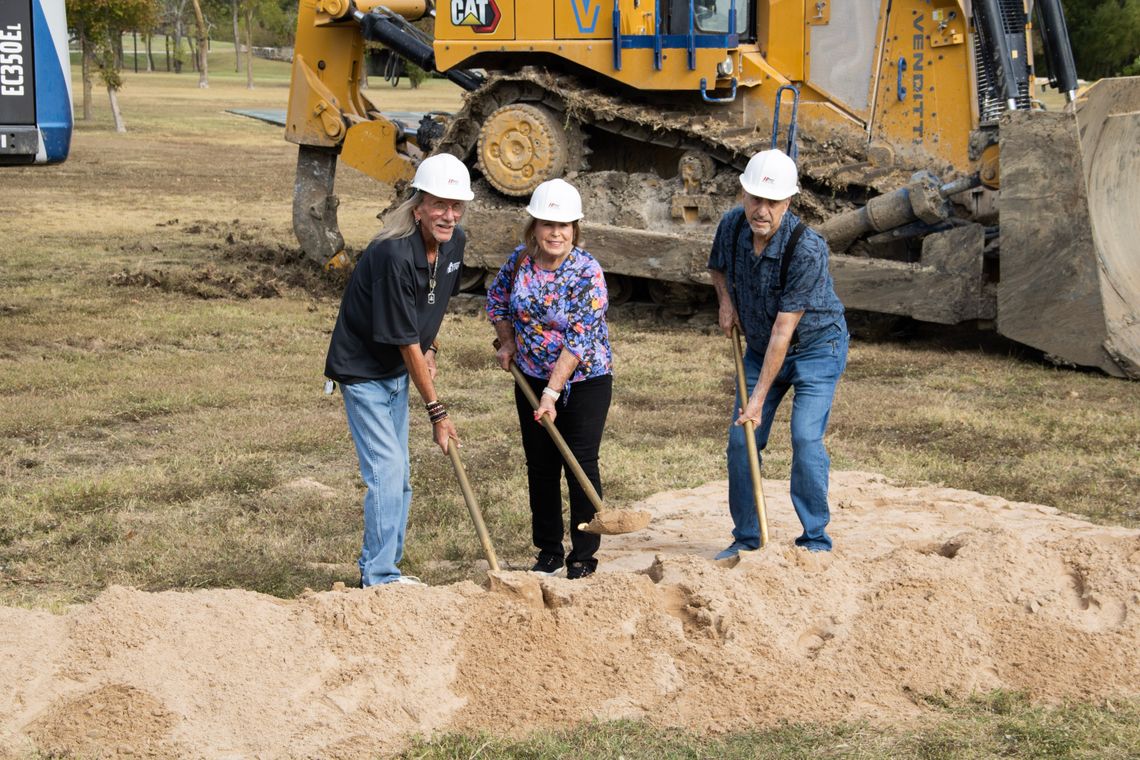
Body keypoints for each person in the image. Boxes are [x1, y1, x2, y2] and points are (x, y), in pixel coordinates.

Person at [324, 153, 473, 587]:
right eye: (439, 205)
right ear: (418, 207)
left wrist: (433, 347)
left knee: (399, 475)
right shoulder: (392, 254)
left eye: (456, 205)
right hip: (364, 372)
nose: (448, 215)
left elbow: (432, 306)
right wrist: (438, 412)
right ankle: (379, 575)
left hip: (395, 372)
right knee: (385, 472)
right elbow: (405, 339)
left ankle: (386, 566)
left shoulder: (454, 244)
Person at [707, 149, 848, 557]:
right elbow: (718, 267)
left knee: (805, 438)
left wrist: (757, 399)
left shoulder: (807, 249)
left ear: (789, 202)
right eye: (755, 198)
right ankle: (747, 539)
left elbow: (784, 332)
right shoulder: (732, 225)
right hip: (758, 344)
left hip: (816, 348)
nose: (761, 209)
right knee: (742, 442)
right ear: (743, 195)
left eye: (772, 202)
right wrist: (725, 301)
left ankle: (815, 541)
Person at [486, 178, 613, 580]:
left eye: (564, 225)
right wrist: (507, 344)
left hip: (584, 379)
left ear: (575, 228)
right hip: (529, 377)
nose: (556, 233)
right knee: (540, 466)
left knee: (578, 462)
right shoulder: (519, 261)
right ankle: (548, 551)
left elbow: (579, 340)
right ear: (534, 227)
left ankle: (583, 554)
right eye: (547, 224)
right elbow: (497, 301)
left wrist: (552, 393)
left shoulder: (587, 271)